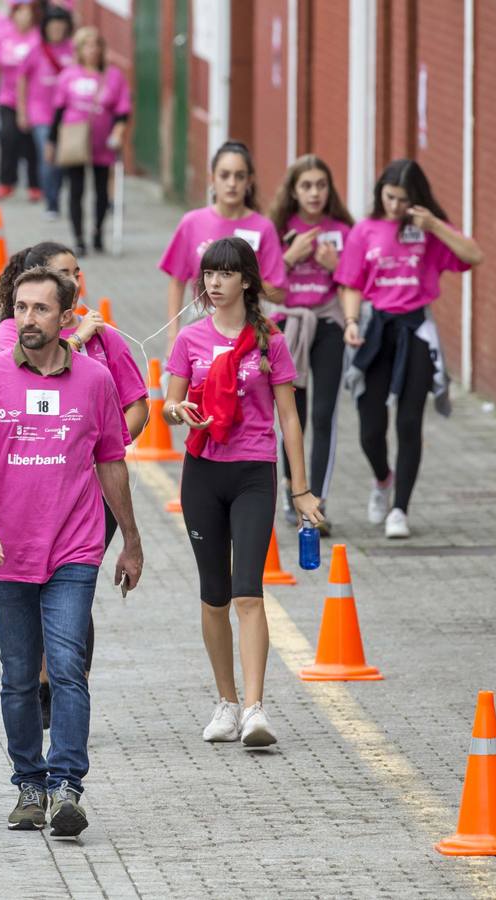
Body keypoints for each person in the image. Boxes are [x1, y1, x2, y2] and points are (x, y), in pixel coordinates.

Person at [0, 264, 142, 837]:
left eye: (41, 309)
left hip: (74, 549)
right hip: (7, 552)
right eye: (21, 308)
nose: (28, 318)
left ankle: (67, 786)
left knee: (69, 667)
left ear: (67, 318)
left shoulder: (95, 380)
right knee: (18, 675)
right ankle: (29, 784)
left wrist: (131, 540)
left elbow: (111, 462)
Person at [163, 237, 322, 748]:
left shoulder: (270, 340)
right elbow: (169, 403)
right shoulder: (190, 339)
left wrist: (301, 490)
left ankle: (255, 708)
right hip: (202, 473)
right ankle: (226, 703)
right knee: (214, 596)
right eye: (208, 273)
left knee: (248, 592)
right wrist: (177, 411)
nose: (213, 282)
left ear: (247, 281)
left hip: (254, 473)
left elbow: (289, 418)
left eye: (225, 274)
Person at [0, 242, 147, 710]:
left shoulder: (106, 338)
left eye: (77, 272)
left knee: (74, 584)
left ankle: (68, 685)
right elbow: (32, 369)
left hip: (91, 492)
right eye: (65, 273)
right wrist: (76, 338)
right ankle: (40, 679)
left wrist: (102, 446)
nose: (76, 281)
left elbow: (136, 404)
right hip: (33, 491)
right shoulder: (13, 331)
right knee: (36, 587)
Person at [335, 159, 483, 539]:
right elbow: (350, 283)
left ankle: (400, 509)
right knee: (370, 427)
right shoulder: (365, 230)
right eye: (390, 197)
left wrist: (434, 225)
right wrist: (350, 322)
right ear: (379, 193)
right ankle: (383, 479)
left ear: (416, 198)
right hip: (375, 329)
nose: (395, 206)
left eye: (403, 199)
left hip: (416, 330)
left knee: (408, 421)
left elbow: (473, 255)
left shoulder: (426, 230)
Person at [265, 154, 353, 531]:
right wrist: (289, 257)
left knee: (323, 414)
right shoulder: (277, 229)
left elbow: (357, 282)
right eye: (306, 186)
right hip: (288, 327)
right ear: (293, 191)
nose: (314, 193)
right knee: (293, 415)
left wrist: (337, 266)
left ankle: (319, 500)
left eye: (321, 185)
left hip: (329, 324)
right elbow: (263, 284)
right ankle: (293, 490)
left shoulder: (343, 231)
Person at [161, 140, 286, 344]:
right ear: (212, 178)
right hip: (201, 323)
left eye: (240, 176)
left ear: (250, 180)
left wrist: (242, 277)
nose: (232, 183)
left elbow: (279, 293)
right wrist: (172, 334)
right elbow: (177, 282)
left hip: (248, 327)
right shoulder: (191, 222)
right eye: (224, 175)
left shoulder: (263, 227)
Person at [45, 25, 129, 255]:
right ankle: (79, 238)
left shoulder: (113, 76)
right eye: (87, 46)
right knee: (76, 189)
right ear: (79, 50)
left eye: (96, 45)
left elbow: (123, 111)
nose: (92, 50)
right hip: (75, 139)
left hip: (103, 141)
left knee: (101, 190)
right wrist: (52, 142)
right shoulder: (68, 76)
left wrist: (118, 132)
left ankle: (98, 233)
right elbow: (58, 111)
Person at [16, 7, 72, 221]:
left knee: (64, 159)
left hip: (68, 115)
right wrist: (22, 111)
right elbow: (22, 80)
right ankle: (51, 202)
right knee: (47, 156)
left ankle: (58, 190)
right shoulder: (36, 50)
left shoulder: (73, 49)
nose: (56, 30)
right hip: (40, 113)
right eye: (53, 26)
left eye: (60, 26)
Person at [0, 1, 38, 202]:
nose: (24, 16)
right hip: (7, 97)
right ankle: (6, 182)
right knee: (7, 137)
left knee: (30, 142)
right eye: (20, 12)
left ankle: (35, 184)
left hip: (34, 100)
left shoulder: (38, 37)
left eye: (28, 12)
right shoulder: (3, 36)